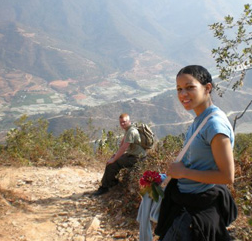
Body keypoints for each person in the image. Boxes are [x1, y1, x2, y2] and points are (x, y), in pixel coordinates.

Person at [155, 65, 237, 240]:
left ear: (208, 88)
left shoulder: (214, 125)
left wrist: (184, 172)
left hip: (195, 211)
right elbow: (198, 164)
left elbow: (227, 176)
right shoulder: (200, 120)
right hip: (186, 202)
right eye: (179, 89)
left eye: (190, 87)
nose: (183, 94)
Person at [93, 113, 146, 196]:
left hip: (137, 158)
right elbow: (122, 144)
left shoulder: (131, 131)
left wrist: (114, 159)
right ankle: (112, 183)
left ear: (129, 121)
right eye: (121, 122)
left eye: (124, 122)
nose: (122, 124)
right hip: (133, 155)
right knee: (113, 161)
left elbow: (124, 147)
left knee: (112, 164)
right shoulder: (128, 129)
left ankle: (106, 187)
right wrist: (115, 155)